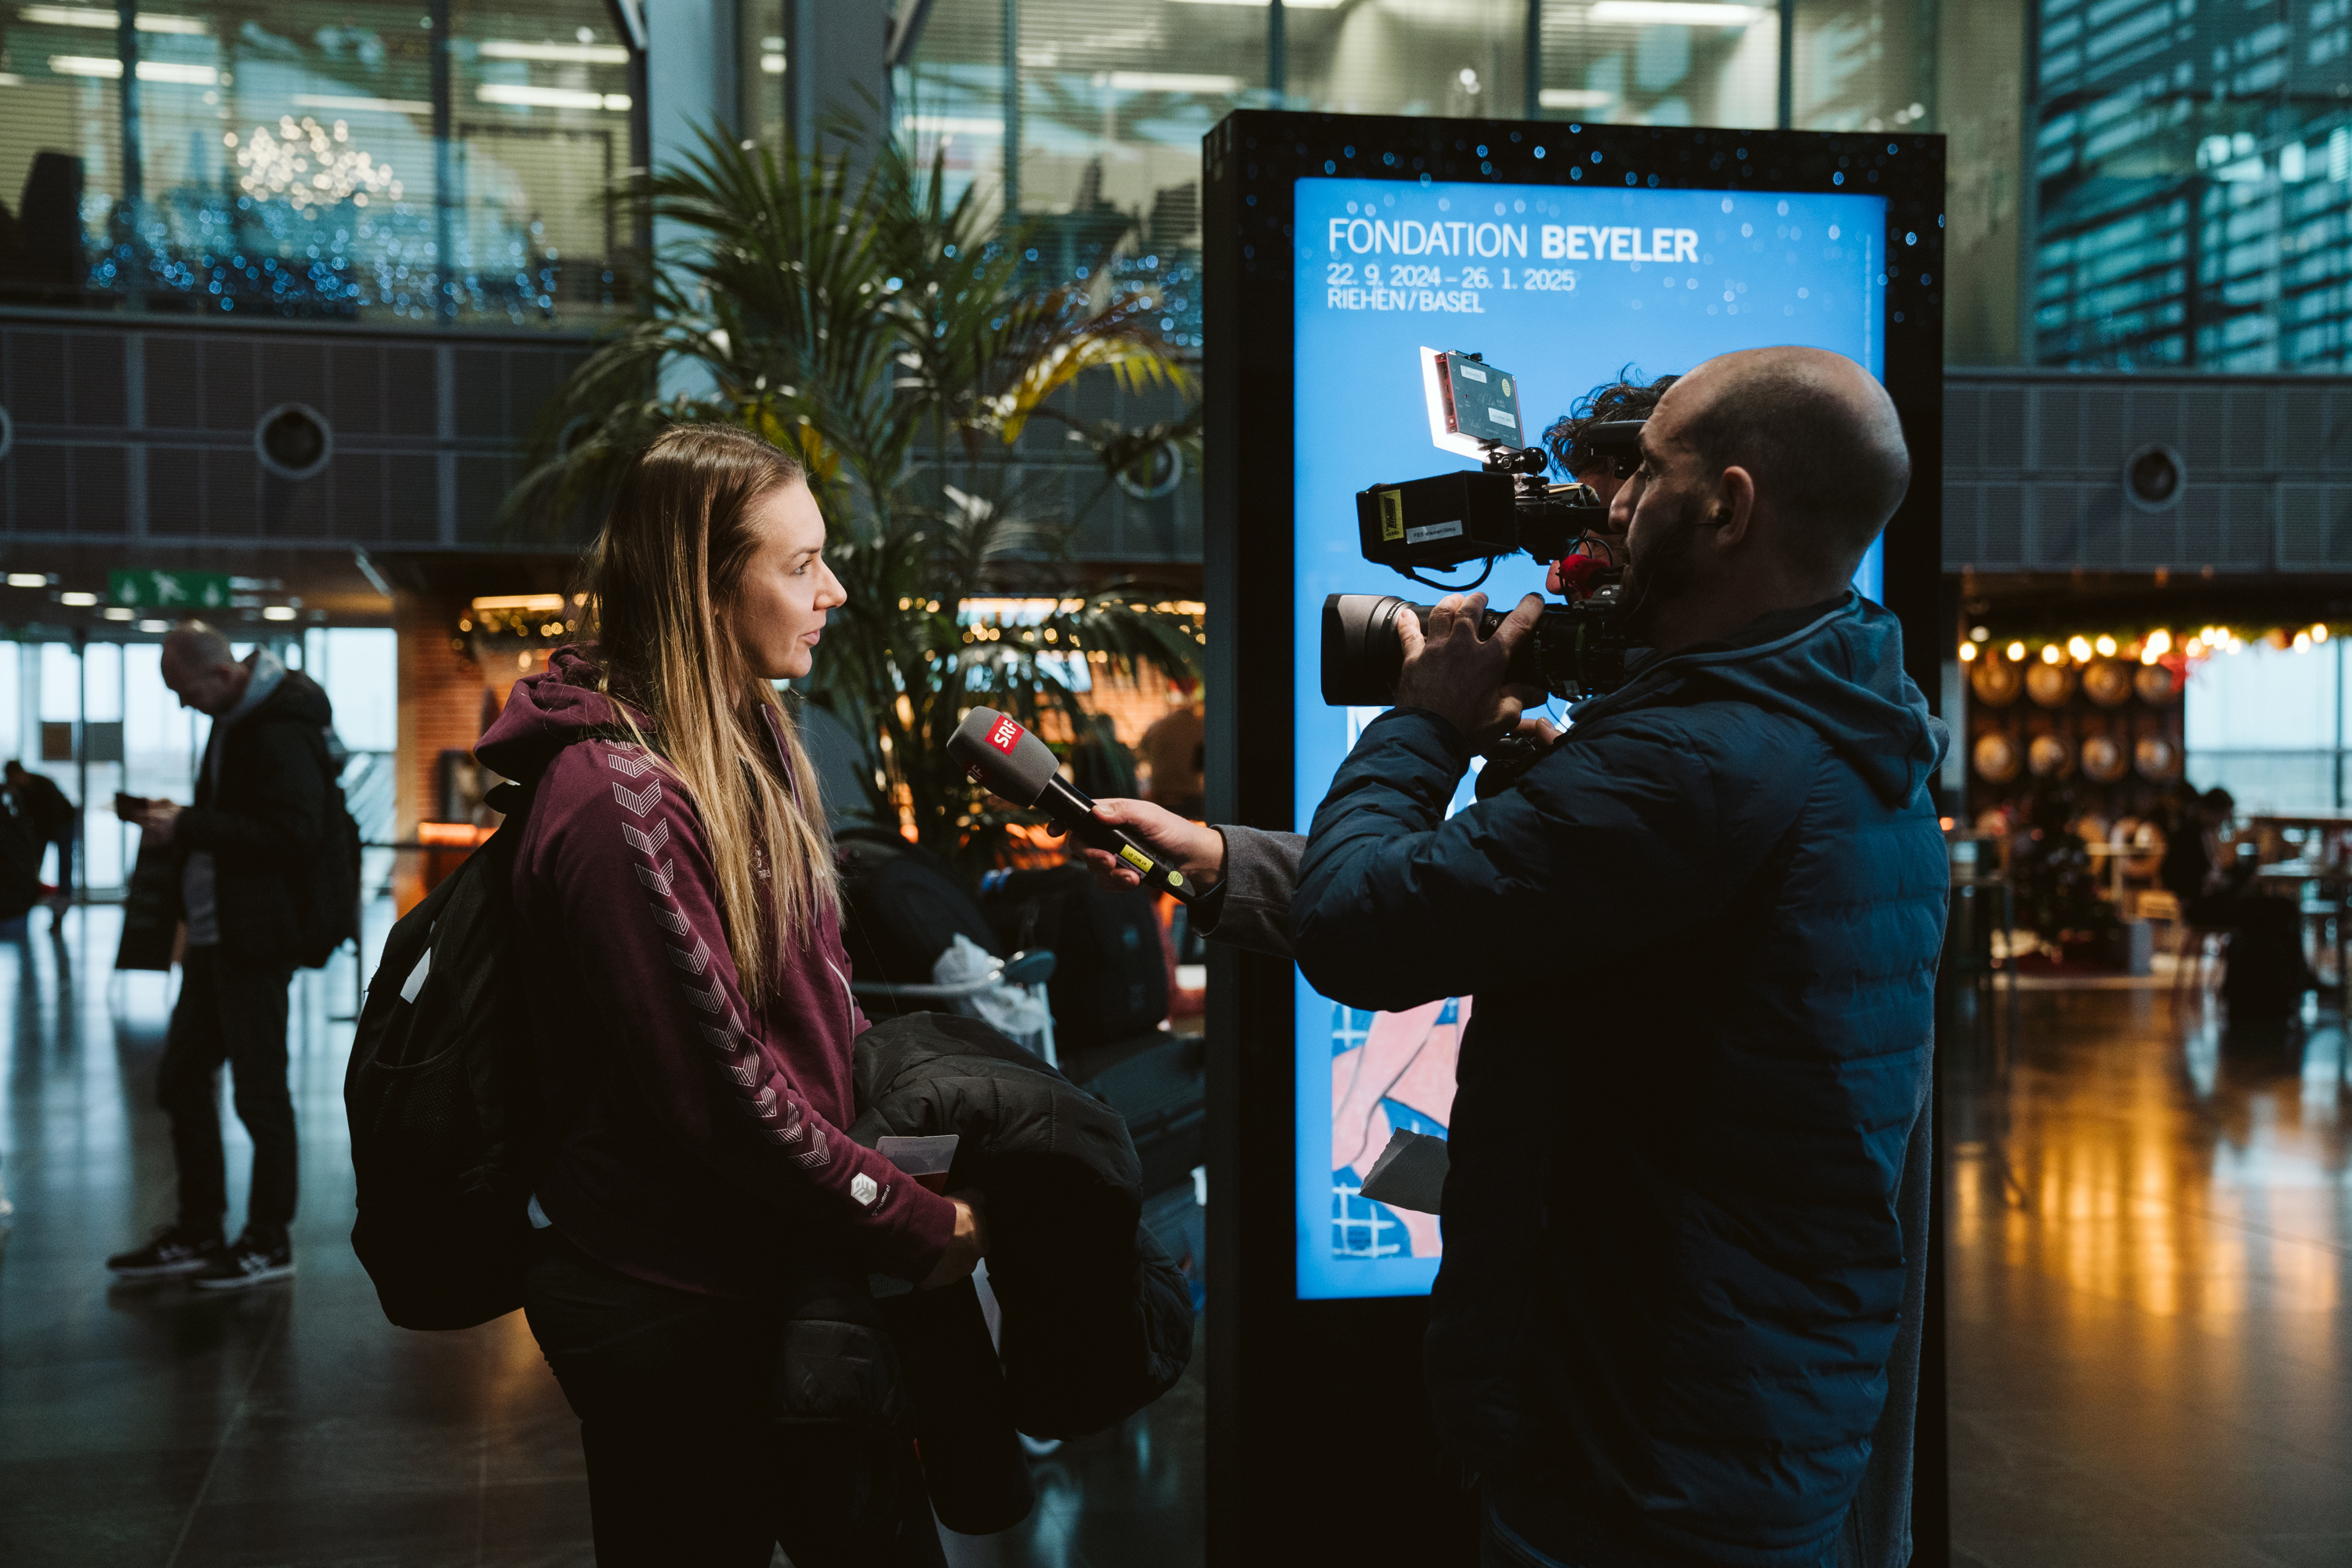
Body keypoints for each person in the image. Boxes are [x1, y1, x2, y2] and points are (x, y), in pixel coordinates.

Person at [1080, 346, 1947, 1568]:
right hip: (1730, 1408)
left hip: (1643, 1442)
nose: (1616, 513)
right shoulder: (1838, 716)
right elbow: (1517, 893)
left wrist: (1425, 724)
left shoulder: (1701, 759)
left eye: (1646, 475)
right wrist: (1227, 861)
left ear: (1728, 506)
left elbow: (1368, 929)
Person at [472, 423, 986, 1567]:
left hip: (765, 1254)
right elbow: (723, 1088)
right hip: (669, 1294)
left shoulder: (745, 739)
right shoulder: (617, 794)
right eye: (800, 564)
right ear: (705, 590)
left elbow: (811, 1008)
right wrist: (906, 1219)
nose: (833, 589)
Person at [105, 623, 336, 1289]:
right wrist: (185, 823)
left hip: (254, 939)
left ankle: (269, 1239)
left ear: (221, 674)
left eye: (185, 691)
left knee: (260, 1093)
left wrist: (188, 824)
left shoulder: (277, 727)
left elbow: (295, 832)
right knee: (183, 1080)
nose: (183, 704)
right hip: (217, 935)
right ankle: (200, 1230)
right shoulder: (237, 720)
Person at [5, 759, 75, 913]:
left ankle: (64, 897)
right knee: (34, 862)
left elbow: (54, 811)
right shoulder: (21, 790)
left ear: (19, 773)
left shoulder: (42, 784)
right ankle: (34, 893)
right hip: (44, 827)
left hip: (63, 823)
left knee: (64, 861)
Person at [1138, 691, 1206, 820]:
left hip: (1161, 796)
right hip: (1191, 795)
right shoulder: (1200, 728)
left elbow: (1142, 755)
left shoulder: (1157, 727)